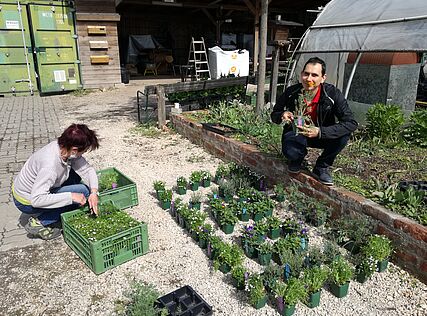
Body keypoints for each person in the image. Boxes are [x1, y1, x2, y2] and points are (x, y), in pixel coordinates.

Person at [271, 57, 358, 185]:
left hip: (322, 134)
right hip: (298, 133)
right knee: (291, 152)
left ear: (323, 78)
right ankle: (297, 159)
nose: (309, 79)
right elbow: (274, 114)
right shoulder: (292, 92)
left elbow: (351, 123)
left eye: (314, 75)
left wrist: (320, 131)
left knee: (343, 135)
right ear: (301, 75)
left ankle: (321, 167)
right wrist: (283, 114)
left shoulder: (332, 94)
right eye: (306, 74)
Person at [12, 123, 100, 240]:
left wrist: (94, 192)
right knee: (81, 193)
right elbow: (36, 200)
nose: (82, 155)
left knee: (76, 177)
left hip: (29, 189)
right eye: (82, 152)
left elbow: (87, 170)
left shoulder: (62, 147)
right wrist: (71, 197)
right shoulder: (50, 166)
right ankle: (39, 223)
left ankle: (65, 201)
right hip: (25, 200)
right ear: (74, 150)